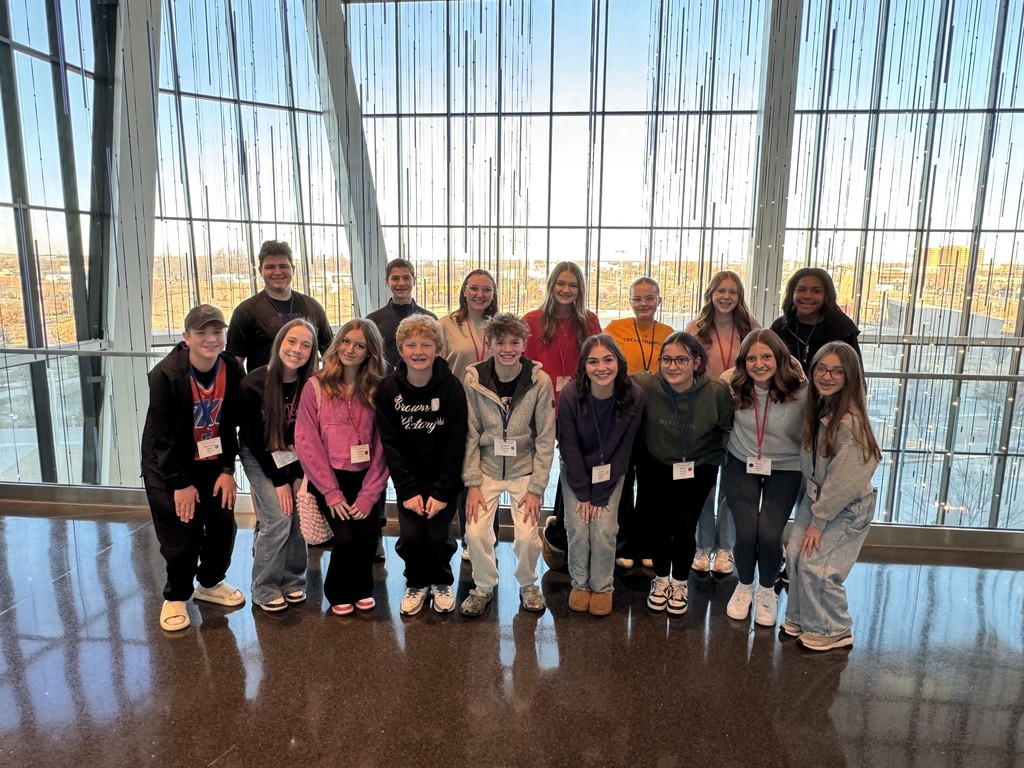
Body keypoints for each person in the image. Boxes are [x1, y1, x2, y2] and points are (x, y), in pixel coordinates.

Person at [141, 304, 246, 632]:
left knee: (222, 526)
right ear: (186, 337)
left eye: (217, 331)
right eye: (202, 332)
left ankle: (210, 583)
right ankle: (176, 596)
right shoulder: (165, 374)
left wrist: (227, 470)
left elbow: (231, 424)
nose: (211, 339)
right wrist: (179, 484)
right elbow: (164, 435)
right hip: (169, 465)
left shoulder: (231, 367)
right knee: (181, 534)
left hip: (212, 461)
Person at [783, 341, 880, 651]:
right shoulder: (820, 406)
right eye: (822, 369)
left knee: (818, 566)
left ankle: (833, 628)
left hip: (845, 507)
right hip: (818, 498)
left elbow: (844, 483)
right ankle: (802, 617)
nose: (827, 377)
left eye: (837, 371)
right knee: (794, 554)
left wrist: (819, 522)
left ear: (850, 376)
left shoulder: (850, 423)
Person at [460, 313, 555, 617]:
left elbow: (545, 437)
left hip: (523, 468)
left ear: (524, 344)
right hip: (486, 468)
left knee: (527, 536)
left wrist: (537, 488)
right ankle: (483, 586)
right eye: (500, 342)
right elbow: (470, 433)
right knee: (475, 533)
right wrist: (472, 483)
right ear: (489, 343)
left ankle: (528, 585)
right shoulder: (474, 380)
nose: (507, 349)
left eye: (515, 342)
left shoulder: (539, 381)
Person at [633, 331, 733, 615]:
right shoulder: (646, 384)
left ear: (696, 361)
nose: (672, 366)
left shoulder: (716, 391)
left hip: (699, 465)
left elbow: (727, 427)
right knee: (659, 524)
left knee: (685, 525)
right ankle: (661, 579)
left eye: (681, 360)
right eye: (666, 359)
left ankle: (679, 582)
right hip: (657, 462)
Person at [295, 319, 390, 616]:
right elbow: (306, 440)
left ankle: (362, 588)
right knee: (346, 537)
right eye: (346, 341)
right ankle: (337, 591)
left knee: (367, 537)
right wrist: (331, 491)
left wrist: (369, 493)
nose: (350, 349)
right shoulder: (316, 385)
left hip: (368, 476)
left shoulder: (379, 388)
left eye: (359, 345)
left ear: (369, 352)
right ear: (337, 344)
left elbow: (384, 444)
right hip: (329, 477)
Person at [375, 316, 468, 616]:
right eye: (411, 345)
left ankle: (441, 581)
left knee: (439, 536)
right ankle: (416, 582)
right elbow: (390, 443)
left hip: (444, 479)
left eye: (426, 345)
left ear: (438, 349)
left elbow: (456, 443)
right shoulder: (388, 389)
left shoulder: (452, 387)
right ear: (400, 349)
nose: (418, 351)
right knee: (413, 537)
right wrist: (407, 489)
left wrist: (442, 491)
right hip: (409, 481)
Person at [722, 330, 807, 626]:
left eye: (767, 356)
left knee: (770, 534)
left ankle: (767, 590)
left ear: (780, 357)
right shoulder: (732, 384)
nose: (759, 364)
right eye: (752, 358)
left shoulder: (800, 390)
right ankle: (745, 585)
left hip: (786, 466)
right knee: (746, 532)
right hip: (742, 461)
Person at [558, 334, 644, 616]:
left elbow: (625, 450)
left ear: (619, 361)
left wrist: (601, 494)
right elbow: (569, 447)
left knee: (605, 529)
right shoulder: (570, 395)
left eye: (608, 360)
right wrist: (584, 493)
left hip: (612, 471)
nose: (601, 368)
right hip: (576, 470)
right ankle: (580, 583)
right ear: (584, 366)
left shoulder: (634, 396)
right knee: (579, 527)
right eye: (593, 361)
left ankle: (603, 586)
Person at [525, 262, 602, 569]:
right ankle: (530, 534)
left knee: (572, 466)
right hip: (540, 407)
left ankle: (559, 533)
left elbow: (598, 363)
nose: (566, 290)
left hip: (577, 407)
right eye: (561, 283)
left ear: (579, 289)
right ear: (551, 285)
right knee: (536, 468)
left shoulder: (589, 321)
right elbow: (523, 368)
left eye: (573, 285)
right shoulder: (532, 321)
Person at [237, 319, 318, 612]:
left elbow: (308, 435)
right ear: (279, 343)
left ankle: (293, 578)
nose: (297, 350)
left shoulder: (311, 384)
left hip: (296, 457)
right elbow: (254, 440)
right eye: (291, 341)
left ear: (312, 352)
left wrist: (296, 476)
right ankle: (264, 585)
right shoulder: (252, 384)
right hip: (260, 456)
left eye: (305, 345)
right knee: (280, 516)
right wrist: (280, 480)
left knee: (298, 512)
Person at [684, 270, 760, 576]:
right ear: (711, 294)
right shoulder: (696, 328)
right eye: (721, 291)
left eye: (732, 292)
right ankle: (703, 545)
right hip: (704, 414)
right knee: (704, 483)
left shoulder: (751, 327)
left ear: (740, 296)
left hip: (741, 413)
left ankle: (726, 547)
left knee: (733, 483)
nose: (726, 297)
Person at [604, 276, 673, 570]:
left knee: (650, 484)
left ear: (659, 301)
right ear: (630, 301)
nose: (643, 304)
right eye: (637, 298)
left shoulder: (669, 333)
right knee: (622, 481)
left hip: (656, 416)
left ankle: (646, 544)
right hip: (620, 414)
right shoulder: (614, 329)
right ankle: (623, 544)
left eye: (649, 298)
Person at [440, 269, 499, 560]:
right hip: (456, 410)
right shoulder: (445, 325)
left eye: (486, 289)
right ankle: (462, 538)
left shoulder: (498, 326)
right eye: (474, 288)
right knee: (462, 476)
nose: (480, 294)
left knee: (489, 477)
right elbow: (436, 368)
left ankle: (486, 539)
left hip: (491, 411)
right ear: (464, 290)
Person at [226, 240, 334, 373]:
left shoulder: (313, 307)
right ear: (260, 271)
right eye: (270, 267)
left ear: (293, 269)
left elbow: (330, 353)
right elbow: (235, 362)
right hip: (265, 385)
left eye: (283, 266)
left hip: (307, 385)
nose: (277, 272)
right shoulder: (246, 311)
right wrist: (248, 384)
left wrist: (327, 382)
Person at [769, 267, 861, 374]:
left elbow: (855, 374)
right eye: (801, 290)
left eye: (816, 291)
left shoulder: (842, 328)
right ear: (792, 293)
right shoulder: (780, 327)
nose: (807, 296)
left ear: (826, 295)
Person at [366, 257, 438, 371]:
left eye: (406, 278)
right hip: (385, 381)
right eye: (395, 278)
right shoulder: (373, 320)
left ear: (414, 280)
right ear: (387, 281)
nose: (401, 283)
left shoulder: (430, 319)